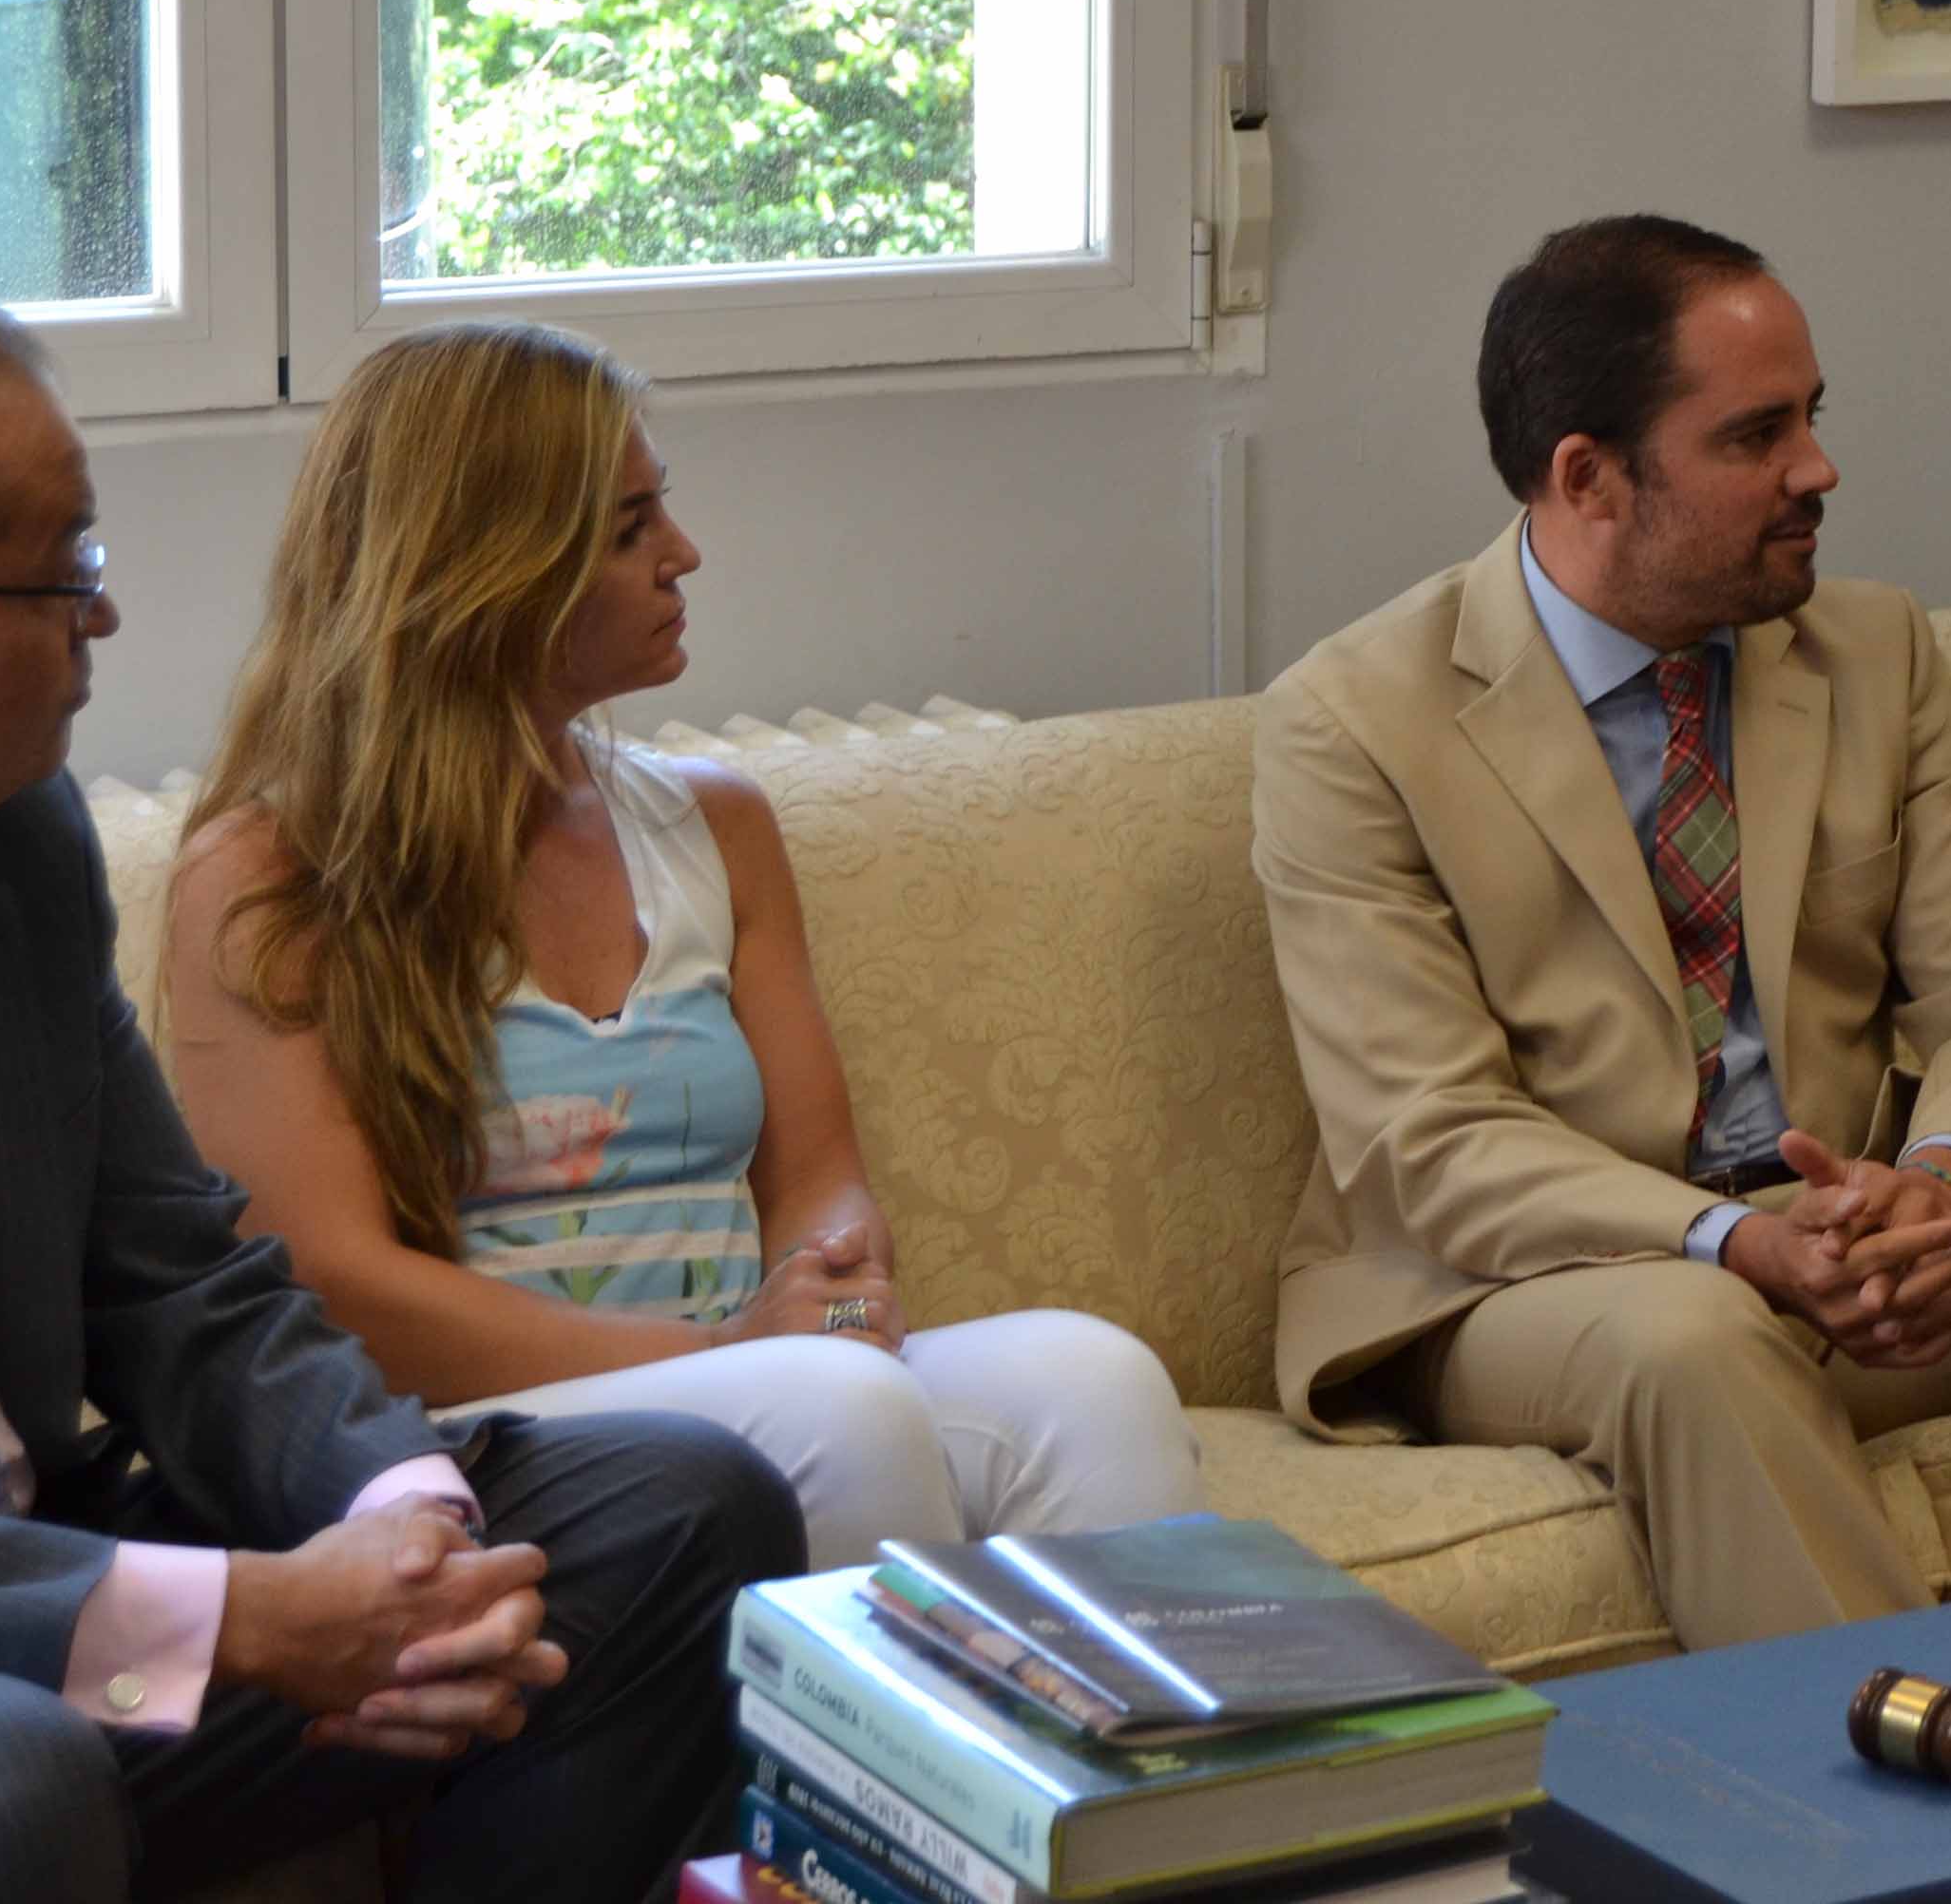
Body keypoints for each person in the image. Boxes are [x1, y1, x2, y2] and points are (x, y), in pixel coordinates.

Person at [0, 269, 801, 1903]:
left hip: (45, 1591)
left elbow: (181, 1278)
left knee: (681, 1507)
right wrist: (241, 1618)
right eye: (65, 574)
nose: (101, 621)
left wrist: (409, 1527)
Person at [1252, 214, 1951, 1651]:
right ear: (1589, 477)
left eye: (1812, 417)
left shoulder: (1877, 651)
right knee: (1691, 1334)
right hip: (1552, 1280)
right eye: (1756, 435)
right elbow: (1429, 1140)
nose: (1817, 470)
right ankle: (1933, 1772)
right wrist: (1734, 1243)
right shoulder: (1353, 722)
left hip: (1852, 1238)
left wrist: (1947, 1190)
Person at [159, 318, 1202, 1574]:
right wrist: (733, 1355)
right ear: (486, 572)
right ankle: (846, 1713)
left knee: (1095, 1381)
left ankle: (1139, 1718)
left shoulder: (716, 827)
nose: (683, 553)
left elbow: (819, 1176)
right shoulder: (269, 875)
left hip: (753, 1369)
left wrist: (832, 1284)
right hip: (469, 1435)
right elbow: (332, 1285)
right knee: (844, 1408)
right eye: (628, 528)